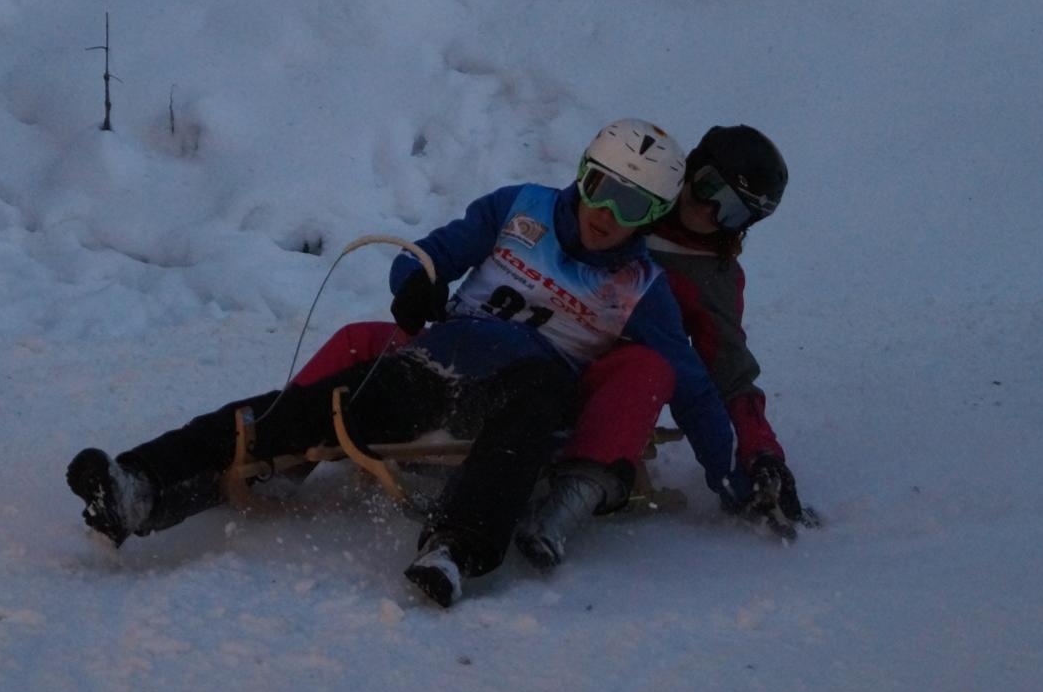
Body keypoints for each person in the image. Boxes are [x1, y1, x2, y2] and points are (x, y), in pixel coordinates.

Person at [66, 119, 750, 608]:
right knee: (306, 409)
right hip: (436, 365)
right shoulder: (519, 208)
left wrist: (734, 478)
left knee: (537, 399)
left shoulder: (641, 288)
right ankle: (145, 483)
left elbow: (689, 387)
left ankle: (455, 547)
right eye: (598, 185)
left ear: (652, 215)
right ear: (581, 173)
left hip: (527, 393)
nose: (605, 211)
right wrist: (415, 283)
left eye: (630, 203)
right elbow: (426, 255)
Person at [290, 124, 807, 567]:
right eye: (710, 187)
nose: (708, 210)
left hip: (564, 384)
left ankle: (569, 496)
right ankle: (276, 440)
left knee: (646, 368)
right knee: (361, 339)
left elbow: (719, 376)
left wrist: (753, 462)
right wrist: (416, 283)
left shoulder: (702, 279)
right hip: (467, 346)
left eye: (732, 212)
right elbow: (443, 250)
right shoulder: (609, 194)